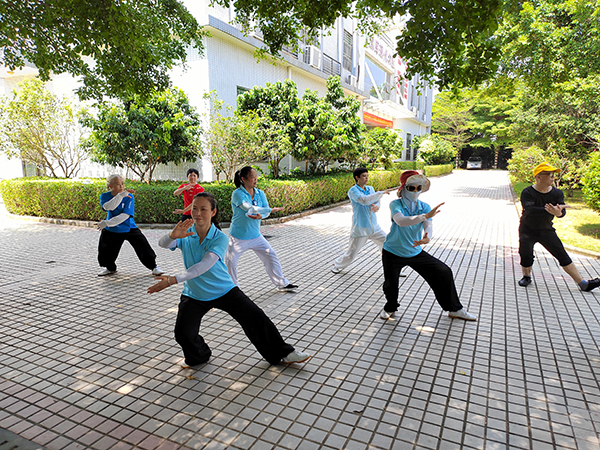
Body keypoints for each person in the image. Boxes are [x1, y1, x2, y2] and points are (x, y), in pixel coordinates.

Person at [147, 192, 310, 367]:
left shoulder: (220, 237)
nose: (198, 213)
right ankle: (199, 355)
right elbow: (163, 244)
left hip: (224, 290)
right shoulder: (187, 233)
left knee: (256, 318)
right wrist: (173, 235)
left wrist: (173, 279)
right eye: (194, 208)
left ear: (213, 212)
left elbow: (203, 266)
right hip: (194, 293)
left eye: (203, 209)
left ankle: (284, 354)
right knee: (182, 333)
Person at [380, 170, 477, 321]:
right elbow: (401, 221)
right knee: (390, 285)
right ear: (403, 188)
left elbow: (428, 225)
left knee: (444, 272)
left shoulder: (424, 206)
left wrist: (428, 237)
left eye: (419, 188)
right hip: (393, 251)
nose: (416, 191)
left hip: (414, 251)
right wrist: (425, 216)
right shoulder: (395, 204)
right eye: (412, 188)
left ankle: (454, 309)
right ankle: (390, 307)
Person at [518, 163, 600, 291]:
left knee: (561, 254)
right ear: (538, 177)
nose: (552, 177)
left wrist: (558, 213)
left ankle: (583, 283)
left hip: (546, 230)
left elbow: (561, 210)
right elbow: (530, 210)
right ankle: (526, 276)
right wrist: (551, 211)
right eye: (549, 175)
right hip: (527, 230)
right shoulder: (527, 192)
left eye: (553, 175)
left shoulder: (557, 193)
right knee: (526, 254)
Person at [224, 166, 298, 292]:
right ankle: (233, 290)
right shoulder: (237, 194)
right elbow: (248, 208)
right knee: (230, 263)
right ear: (243, 179)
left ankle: (282, 283)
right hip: (238, 237)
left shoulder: (260, 193)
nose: (255, 180)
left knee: (271, 256)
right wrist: (270, 210)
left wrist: (262, 214)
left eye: (256, 177)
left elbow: (264, 212)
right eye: (252, 177)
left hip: (256, 236)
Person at [332, 167, 404, 276]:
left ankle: (394, 269)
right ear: (357, 178)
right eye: (364, 176)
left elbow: (375, 201)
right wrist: (381, 193)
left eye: (367, 176)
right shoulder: (353, 191)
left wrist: (377, 207)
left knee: (388, 246)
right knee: (351, 253)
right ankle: (337, 265)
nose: (367, 178)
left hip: (375, 228)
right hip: (361, 228)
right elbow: (364, 200)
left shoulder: (370, 188)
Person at [97, 175, 163, 277]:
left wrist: (106, 223)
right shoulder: (105, 196)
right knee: (105, 250)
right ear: (110, 186)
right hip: (112, 228)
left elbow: (124, 216)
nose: (122, 186)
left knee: (143, 246)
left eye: (122, 183)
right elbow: (108, 207)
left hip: (129, 227)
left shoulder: (129, 196)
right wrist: (119, 196)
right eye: (118, 184)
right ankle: (110, 268)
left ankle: (154, 267)